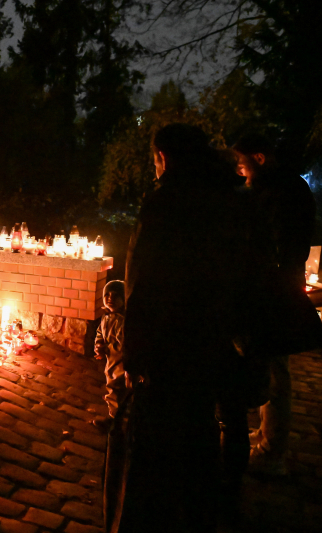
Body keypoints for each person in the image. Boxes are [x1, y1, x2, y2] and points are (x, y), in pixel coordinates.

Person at [110, 124, 243, 533]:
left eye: (154, 160)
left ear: (163, 158)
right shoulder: (229, 199)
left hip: (167, 348)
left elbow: (145, 284)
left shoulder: (166, 204)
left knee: (154, 447)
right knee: (197, 438)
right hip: (212, 342)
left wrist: (133, 354)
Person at [232, 134, 316, 476]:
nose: (238, 170)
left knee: (275, 368)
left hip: (274, 290)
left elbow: (279, 245)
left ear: (260, 158)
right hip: (272, 286)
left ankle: (272, 451)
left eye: (241, 162)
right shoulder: (279, 187)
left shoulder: (281, 193)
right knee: (267, 363)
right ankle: (267, 432)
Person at [93, 280, 127, 426]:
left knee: (116, 389)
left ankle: (115, 422)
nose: (110, 298)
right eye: (107, 295)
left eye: (115, 295)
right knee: (112, 385)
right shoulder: (106, 316)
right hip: (111, 360)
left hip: (121, 364)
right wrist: (99, 344)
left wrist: (106, 348)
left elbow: (122, 344)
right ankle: (116, 417)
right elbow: (100, 332)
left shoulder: (123, 321)